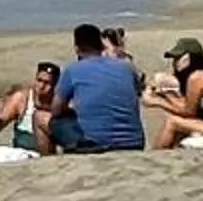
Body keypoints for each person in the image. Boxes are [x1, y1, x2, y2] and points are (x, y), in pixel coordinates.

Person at [47, 22, 147, 154]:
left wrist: (72, 110)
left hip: (98, 143)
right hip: (134, 142)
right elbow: (137, 92)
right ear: (101, 45)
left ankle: (48, 159)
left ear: (77, 49)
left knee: (55, 121)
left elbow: (56, 109)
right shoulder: (126, 67)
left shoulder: (72, 70)